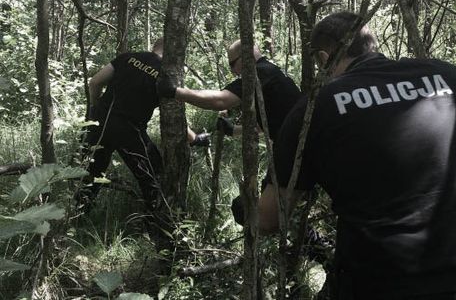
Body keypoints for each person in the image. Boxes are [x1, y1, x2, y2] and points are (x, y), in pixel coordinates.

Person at [258, 12, 456, 299]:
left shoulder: (316, 107)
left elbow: (269, 219)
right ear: (370, 45)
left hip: (391, 280)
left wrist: (245, 207)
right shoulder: (450, 76)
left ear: (324, 58)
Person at [157, 39, 302, 223]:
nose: (233, 71)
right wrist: (234, 131)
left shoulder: (260, 72)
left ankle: (301, 245)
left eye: (232, 64)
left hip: (295, 151)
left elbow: (220, 100)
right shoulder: (271, 73)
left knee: (266, 218)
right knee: (282, 212)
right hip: (294, 148)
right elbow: (270, 121)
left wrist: (174, 92)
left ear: (246, 57)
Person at [76, 38, 210, 218]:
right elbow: (173, 118)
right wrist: (195, 138)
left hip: (100, 122)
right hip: (130, 130)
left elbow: (94, 83)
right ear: (176, 53)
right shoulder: (166, 75)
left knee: (89, 174)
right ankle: (156, 224)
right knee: (153, 175)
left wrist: (96, 108)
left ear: (153, 47)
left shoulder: (128, 57)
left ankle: (77, 219)